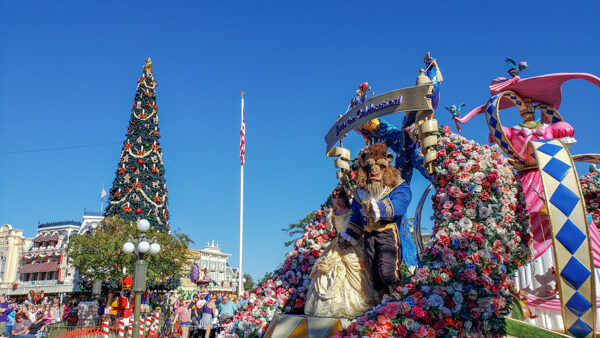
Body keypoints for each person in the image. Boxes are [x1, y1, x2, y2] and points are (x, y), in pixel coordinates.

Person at [342, 143, 413, 292]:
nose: (374, 171)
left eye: (380, 166)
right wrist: (350, 235)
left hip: (387, 234)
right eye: (369, 167)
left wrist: (378, 208)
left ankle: (400, 300)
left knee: (388, 272)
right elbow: (356, 217)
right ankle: (384, 306)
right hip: (369, 235)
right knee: (374, 274)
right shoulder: (360, 193)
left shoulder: (398, 186)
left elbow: (400, 204)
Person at [305, 185, 380, 318]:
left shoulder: (352, 211)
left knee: (358, 269)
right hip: (338, 244)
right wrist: (329, 219)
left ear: (344, 198)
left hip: (354, 242)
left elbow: (359, 225)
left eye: (339, 198)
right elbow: (330, 230)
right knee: (327, 270)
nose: (337, 201)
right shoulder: (333, 214)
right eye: (335, 199)